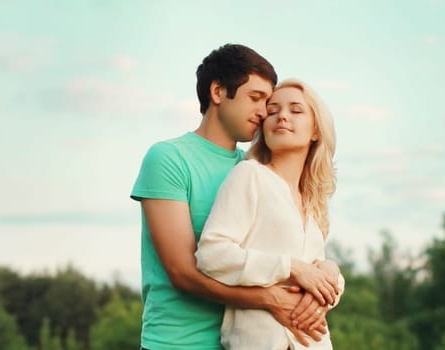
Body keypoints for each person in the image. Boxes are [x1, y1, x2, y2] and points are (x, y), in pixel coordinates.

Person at [130, 44, 328, 350]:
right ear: (218, 92)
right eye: (256, 98)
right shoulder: (169, 158)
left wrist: (328, 272)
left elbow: (288, 250)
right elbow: (182, 272)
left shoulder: (255, 170)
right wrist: (268, 299)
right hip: (176, 343)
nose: (264, 113)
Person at [196, 78, 345, 349]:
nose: (282, 117)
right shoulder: (250, 175)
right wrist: (292, 268)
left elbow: (317, 275)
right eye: (272, 110)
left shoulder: (311, 200)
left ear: (315, 131)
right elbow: (211, 254)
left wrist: (331, 272)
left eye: (296, 110)